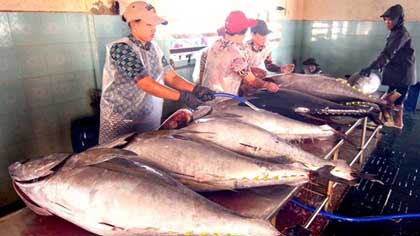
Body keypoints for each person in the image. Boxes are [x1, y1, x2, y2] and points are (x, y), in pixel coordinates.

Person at [99, 1, 215, 144]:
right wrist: (182, 96)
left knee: (146, 158)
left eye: (155, 25)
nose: (154, 29)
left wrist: (195, 89)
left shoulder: (154, 48)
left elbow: (170, 76)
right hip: (121, 122)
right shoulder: (121, 48)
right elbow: (146, 84)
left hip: (148, 118)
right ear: (134, 24)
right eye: (149, 25)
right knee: (117, 161)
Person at [359, 4, 416, 129]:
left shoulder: (401, 33)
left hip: (402, 75)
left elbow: (388, 53)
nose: (387, 22)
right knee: (390, 100)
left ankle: (396, 123)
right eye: (386, 20)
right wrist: (377, 66)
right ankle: (391, 121)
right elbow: (387, 52)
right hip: (398, 73)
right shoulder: (395, 32)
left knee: (394, 101)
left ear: (399, 19)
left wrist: (372, 67)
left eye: (390, 20)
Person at [201, 11, 279, 96]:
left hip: (206, 96)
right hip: (223, 101)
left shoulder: (216, 43)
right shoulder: (236, 54)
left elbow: (226, 67)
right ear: (244, 32)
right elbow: (252, 80)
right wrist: (267, 85)